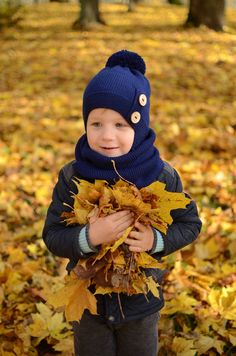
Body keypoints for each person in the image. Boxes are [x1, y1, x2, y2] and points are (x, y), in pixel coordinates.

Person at [42, 50, 202, 356]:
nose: (107, 135)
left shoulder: (161, 176)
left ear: (139, 126)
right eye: (96, 123)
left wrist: (156, 240)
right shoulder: (72, 176)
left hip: (141, 304)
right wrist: (88, 237)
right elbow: (52, 235)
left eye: (120, 125)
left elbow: (190, 224)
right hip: (89, 305)